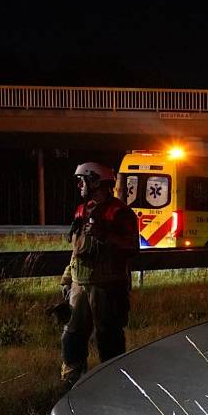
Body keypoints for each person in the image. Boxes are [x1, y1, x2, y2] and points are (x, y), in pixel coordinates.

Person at [59, 162, 139, 387]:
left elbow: (132, 247)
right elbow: (77, 249)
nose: (79, 185)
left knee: (109, 337)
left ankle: (112, 384)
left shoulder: (120, 213)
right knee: (72, 335)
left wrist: (105, 235)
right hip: (80, 285)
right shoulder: (81, 210)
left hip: (108, 286)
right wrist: (67, 278)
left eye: (81, 181)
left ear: (95, 182)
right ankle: (72, 383)